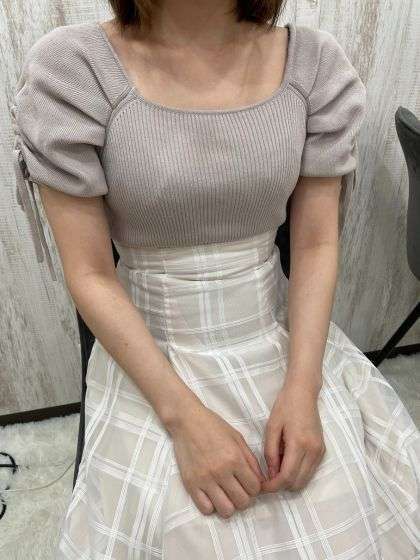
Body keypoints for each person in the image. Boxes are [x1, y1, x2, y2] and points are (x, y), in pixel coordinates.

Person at [10, 1, 420, 558]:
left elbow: (316, 244)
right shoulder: (74, 70)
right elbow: (90, 273)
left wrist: (304, 392)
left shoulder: (313, 65)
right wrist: (184, 420)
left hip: (282, 340)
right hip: (155, 355)